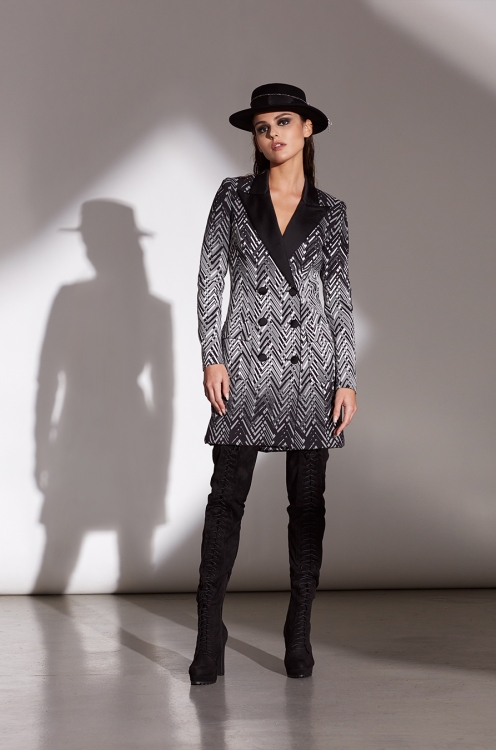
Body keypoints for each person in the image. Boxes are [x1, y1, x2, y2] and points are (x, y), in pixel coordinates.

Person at [190, 83, 357, 686]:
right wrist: (213, 357)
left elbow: (338, 296)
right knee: (225, 501)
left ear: (307, 128)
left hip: (312, 371)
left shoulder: (331, 209)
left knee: (307, 504)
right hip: (246, 366)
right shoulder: (233, 196)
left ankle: (299, 630)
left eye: (284, 122)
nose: (273, 135)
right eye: (263, 127)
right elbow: (210, 276)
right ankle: (209, 632)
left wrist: (346, 376)